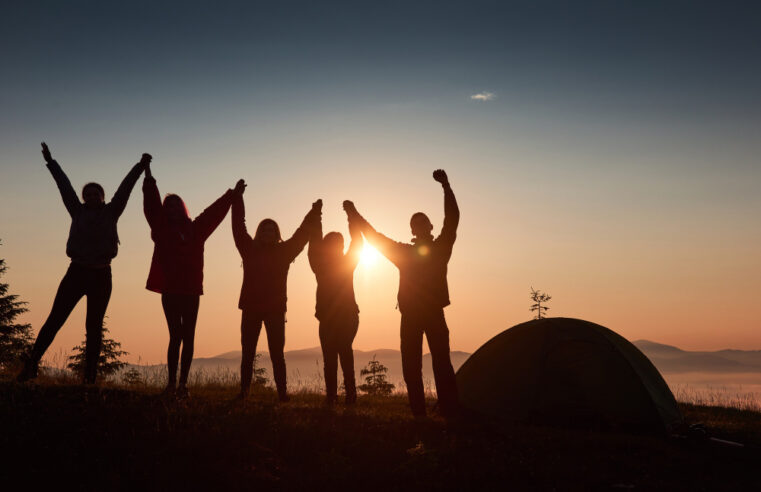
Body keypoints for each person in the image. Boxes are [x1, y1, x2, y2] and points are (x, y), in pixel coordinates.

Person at [17, 142, 150, 384]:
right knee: (55, 320)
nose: (90, 197)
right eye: (86, 194)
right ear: (83, 198)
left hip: (101, 276)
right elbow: (64, 186)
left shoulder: (112, 211)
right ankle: (31, 365)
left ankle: (89, 378)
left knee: (94, 327)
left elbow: (125, 188)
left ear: (102, 197)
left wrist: (140, 167)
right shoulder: (76, 211)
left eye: (94, 193)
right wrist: (51, 162)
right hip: (76, 273)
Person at [344, 169, 460, 419]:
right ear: (412, 229)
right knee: (411, 367)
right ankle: (420, 414)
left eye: (422, 222)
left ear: (429, 227)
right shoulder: (405, 253)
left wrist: (446, 187)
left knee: (441, 363)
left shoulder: (441, 248)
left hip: (433, 313)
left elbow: (452, 219)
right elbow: (375, 238)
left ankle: (450, 413)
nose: (418, 225)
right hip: (410, 316)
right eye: (414, 223)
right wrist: (353, 214)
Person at [143, 164, 243, 398]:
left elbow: (213, 213)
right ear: (165, 210)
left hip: (191, 292)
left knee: (188, 336)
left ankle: (182, 385)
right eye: (169, 205)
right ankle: (170, 384)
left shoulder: (196, 229)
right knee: (175, 335)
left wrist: (232, 195)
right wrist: (148, 176)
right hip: (170, 291)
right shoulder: (160, 229)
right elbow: (151, 206)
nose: (173, 208)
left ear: (183, 208)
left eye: (177, 204)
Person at [232, 193, 321, 402]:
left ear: (277, 233)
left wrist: (314, 212)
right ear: (259, 233)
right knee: (248, 354)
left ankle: (282, 394)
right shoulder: (249, 249)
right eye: (265, 229)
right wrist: (237, 199)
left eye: (272, 229)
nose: (268, 232)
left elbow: (301, 234)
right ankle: (244, 392)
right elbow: (238, 227)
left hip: (275, 310)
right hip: (251, 308)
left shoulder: (284, 251)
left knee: (277, 355)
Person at [307, 202, 363, 406]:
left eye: (339, 243)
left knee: (343, 353)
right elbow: (314, 243)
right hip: (329, 318)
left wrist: (351, 214)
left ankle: (348, 395)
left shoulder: (346, 263)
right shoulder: (319, 265)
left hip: (347, 317)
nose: (337, 246)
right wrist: (317, 215)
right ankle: (334, 395)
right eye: (333, 244)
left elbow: (357, 242)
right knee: (331, 358)